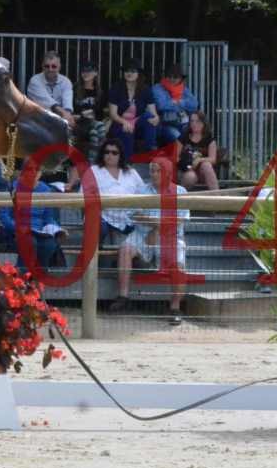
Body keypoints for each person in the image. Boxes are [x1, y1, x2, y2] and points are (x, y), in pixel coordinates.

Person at [111, 158, 190, 324]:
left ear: (168, 173)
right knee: (125, 248)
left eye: (157, 170)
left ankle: (175, 307)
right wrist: (156, 225)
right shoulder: (142, 190)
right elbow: (134, 214)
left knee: (179, 264)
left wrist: (157, 228)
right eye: (152, 170)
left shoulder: (181, 192)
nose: (153, 174)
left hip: (171, 236)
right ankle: (123, 296)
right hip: (142, 233)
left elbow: (179, 219)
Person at [92, 141, 147, 248]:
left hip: (129, 218)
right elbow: (83, 195)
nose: (110, 155)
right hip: (103, 216)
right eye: (106, 152)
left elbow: (143, 193)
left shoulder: (131, 172)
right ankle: (94, 260)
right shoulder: (93, 171)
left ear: (120, 155)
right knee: (97, 226)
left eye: (114, 153)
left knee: (149, 223)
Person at [106, 64, 158, 164]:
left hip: (137, 122)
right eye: (126, 71)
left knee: (149, 117)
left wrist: (156, 118)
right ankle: (127, 162)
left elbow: (153, 111)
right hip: (119, 121)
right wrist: (124, 122)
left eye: (133, 71)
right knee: (127, 130)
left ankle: (150, 150)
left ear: (139, 74)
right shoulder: (116, 88)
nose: (129, 73)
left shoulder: (145, 89)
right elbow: (113, 114)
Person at [151, 64, 199, 146]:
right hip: (165, 124)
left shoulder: (184, 89)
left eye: (175, 77)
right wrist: (183, 104)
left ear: (181, 79)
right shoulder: (157, 88)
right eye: (169, 76)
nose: (172, 79)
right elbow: (162, 105)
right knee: (177, 137)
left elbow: (194, 104)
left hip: (185, 124)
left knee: (197, 134)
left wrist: (178, 102)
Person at [26, 51, 74, 129]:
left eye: (54, 66)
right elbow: (48, 103)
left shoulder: (66, 81)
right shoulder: (35, 80)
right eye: (47, 66)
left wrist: (68, 116)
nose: (50, 69)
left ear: (59, 67)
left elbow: (67, 104)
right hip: (38, 120)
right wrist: (64, 114)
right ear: (42, 66)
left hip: (60, 120)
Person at [177, 109, 220, 191]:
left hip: (202, 172)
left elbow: (213, 159)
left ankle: (217, 196)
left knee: (206, 165)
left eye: (197, 121)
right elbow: (175, 156)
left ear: (203, 123)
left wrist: (199, 160)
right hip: (185, 171)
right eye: (192, 121)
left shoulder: (209, 139)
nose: (194, 124)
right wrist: (185, 164)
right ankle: (180, 197)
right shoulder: (183, 138)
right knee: (191, 177)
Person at [72, 63, 106, 161]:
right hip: (77, 123)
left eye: (89, 71)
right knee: (99, 127)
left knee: (95, 132)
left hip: (92, 124)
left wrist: (91, 114)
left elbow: (100, 114)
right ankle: (98, 162)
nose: (86, 74)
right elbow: (70, 111)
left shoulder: (99, 92)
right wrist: (83, 114)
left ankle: (92, 163)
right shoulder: (74, 89)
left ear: (96, 73)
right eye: (83, 71)